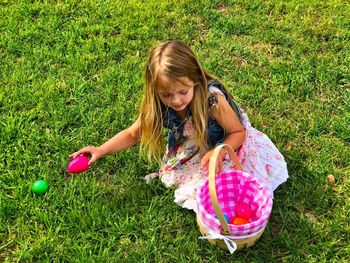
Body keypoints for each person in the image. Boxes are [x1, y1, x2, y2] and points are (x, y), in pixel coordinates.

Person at [70, 40, 288, 211]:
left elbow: (237, 132)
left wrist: (218, 154)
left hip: (229, 145)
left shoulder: (211, 99)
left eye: (183, 92)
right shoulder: (158, 103)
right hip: (195, 144)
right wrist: (101, 149)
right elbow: (133, 133)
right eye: (166, 94)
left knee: (225, 190)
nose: (175, 101)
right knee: (196, 186)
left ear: (195, 80)